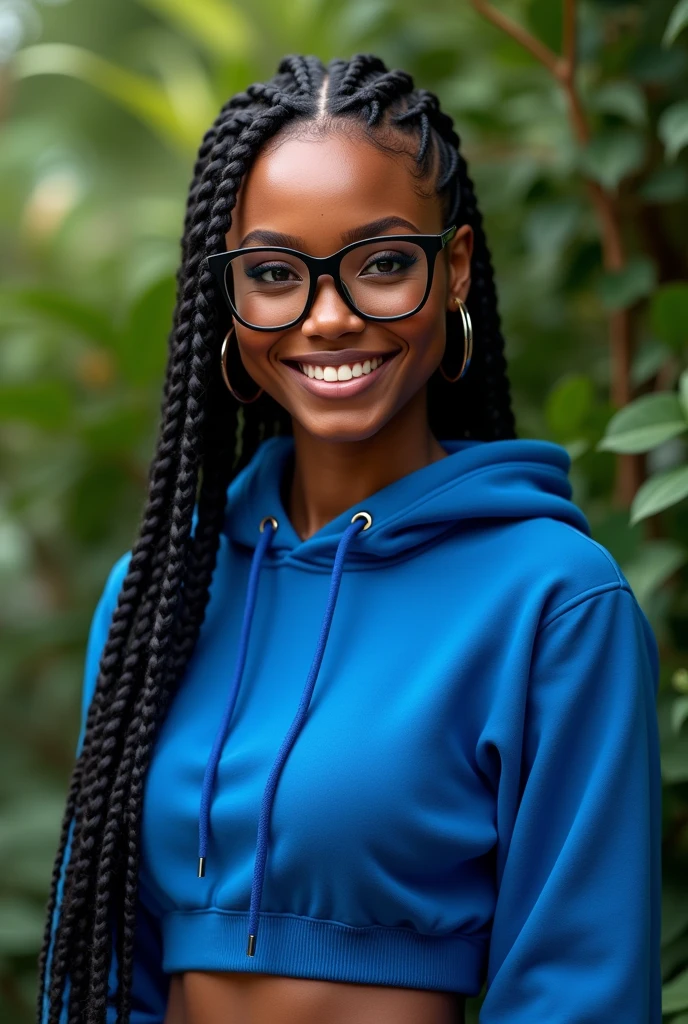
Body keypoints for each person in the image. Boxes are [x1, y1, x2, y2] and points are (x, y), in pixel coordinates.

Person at [37, 52, 662, 1024]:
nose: (328, 317)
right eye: (277, 274)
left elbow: (576, 989)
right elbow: (107, 963)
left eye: (379, 263)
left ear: (451, 268)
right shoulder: (156, 598)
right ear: (228, 293)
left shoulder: (551, 599)